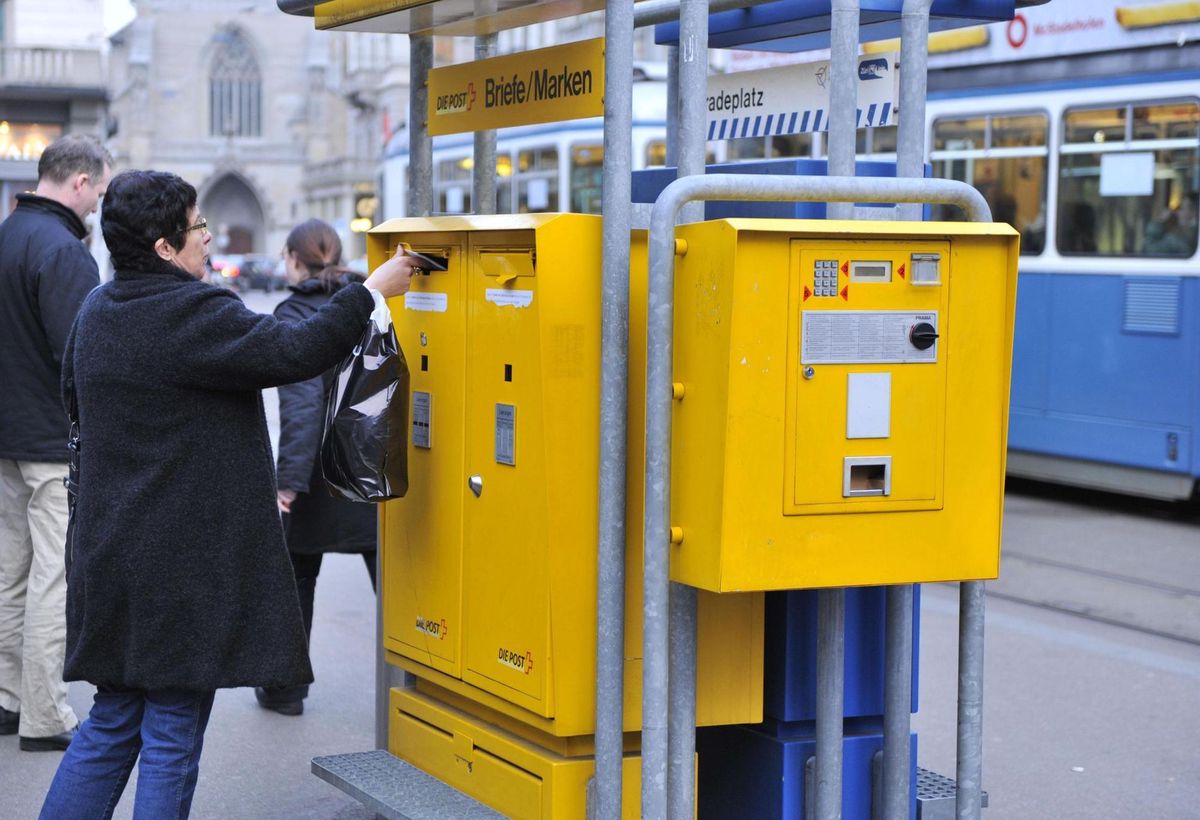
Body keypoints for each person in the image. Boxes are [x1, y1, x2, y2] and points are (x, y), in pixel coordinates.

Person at [37, 170, 417, 819]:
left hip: (110, 555)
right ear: (164, 246)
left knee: (113, 722)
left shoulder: (98, 311)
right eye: (198, 226)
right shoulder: (192, 312)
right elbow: (296, 349)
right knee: (171, 734)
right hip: (180, 569)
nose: (210, 237)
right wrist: (370, 292)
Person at [0, 133, 112, 753]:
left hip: (6, 436)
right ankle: (46, 714)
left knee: (8, 573)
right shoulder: (65, 253)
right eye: (97, 189)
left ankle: (7, 697)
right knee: (51, 576)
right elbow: (79, 357)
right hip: (48, 438)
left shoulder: (6, 234)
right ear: (78, 183)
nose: (97, 202)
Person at [253, 219, 386, 716]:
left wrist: (288, 482)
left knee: (297, 578)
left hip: (317, 472)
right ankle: (418, 683)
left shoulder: (293, 314)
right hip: (372, 463)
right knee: (391, 581)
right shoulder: (368, 304)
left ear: (292, 258)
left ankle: (286, 689)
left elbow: (303, 405)